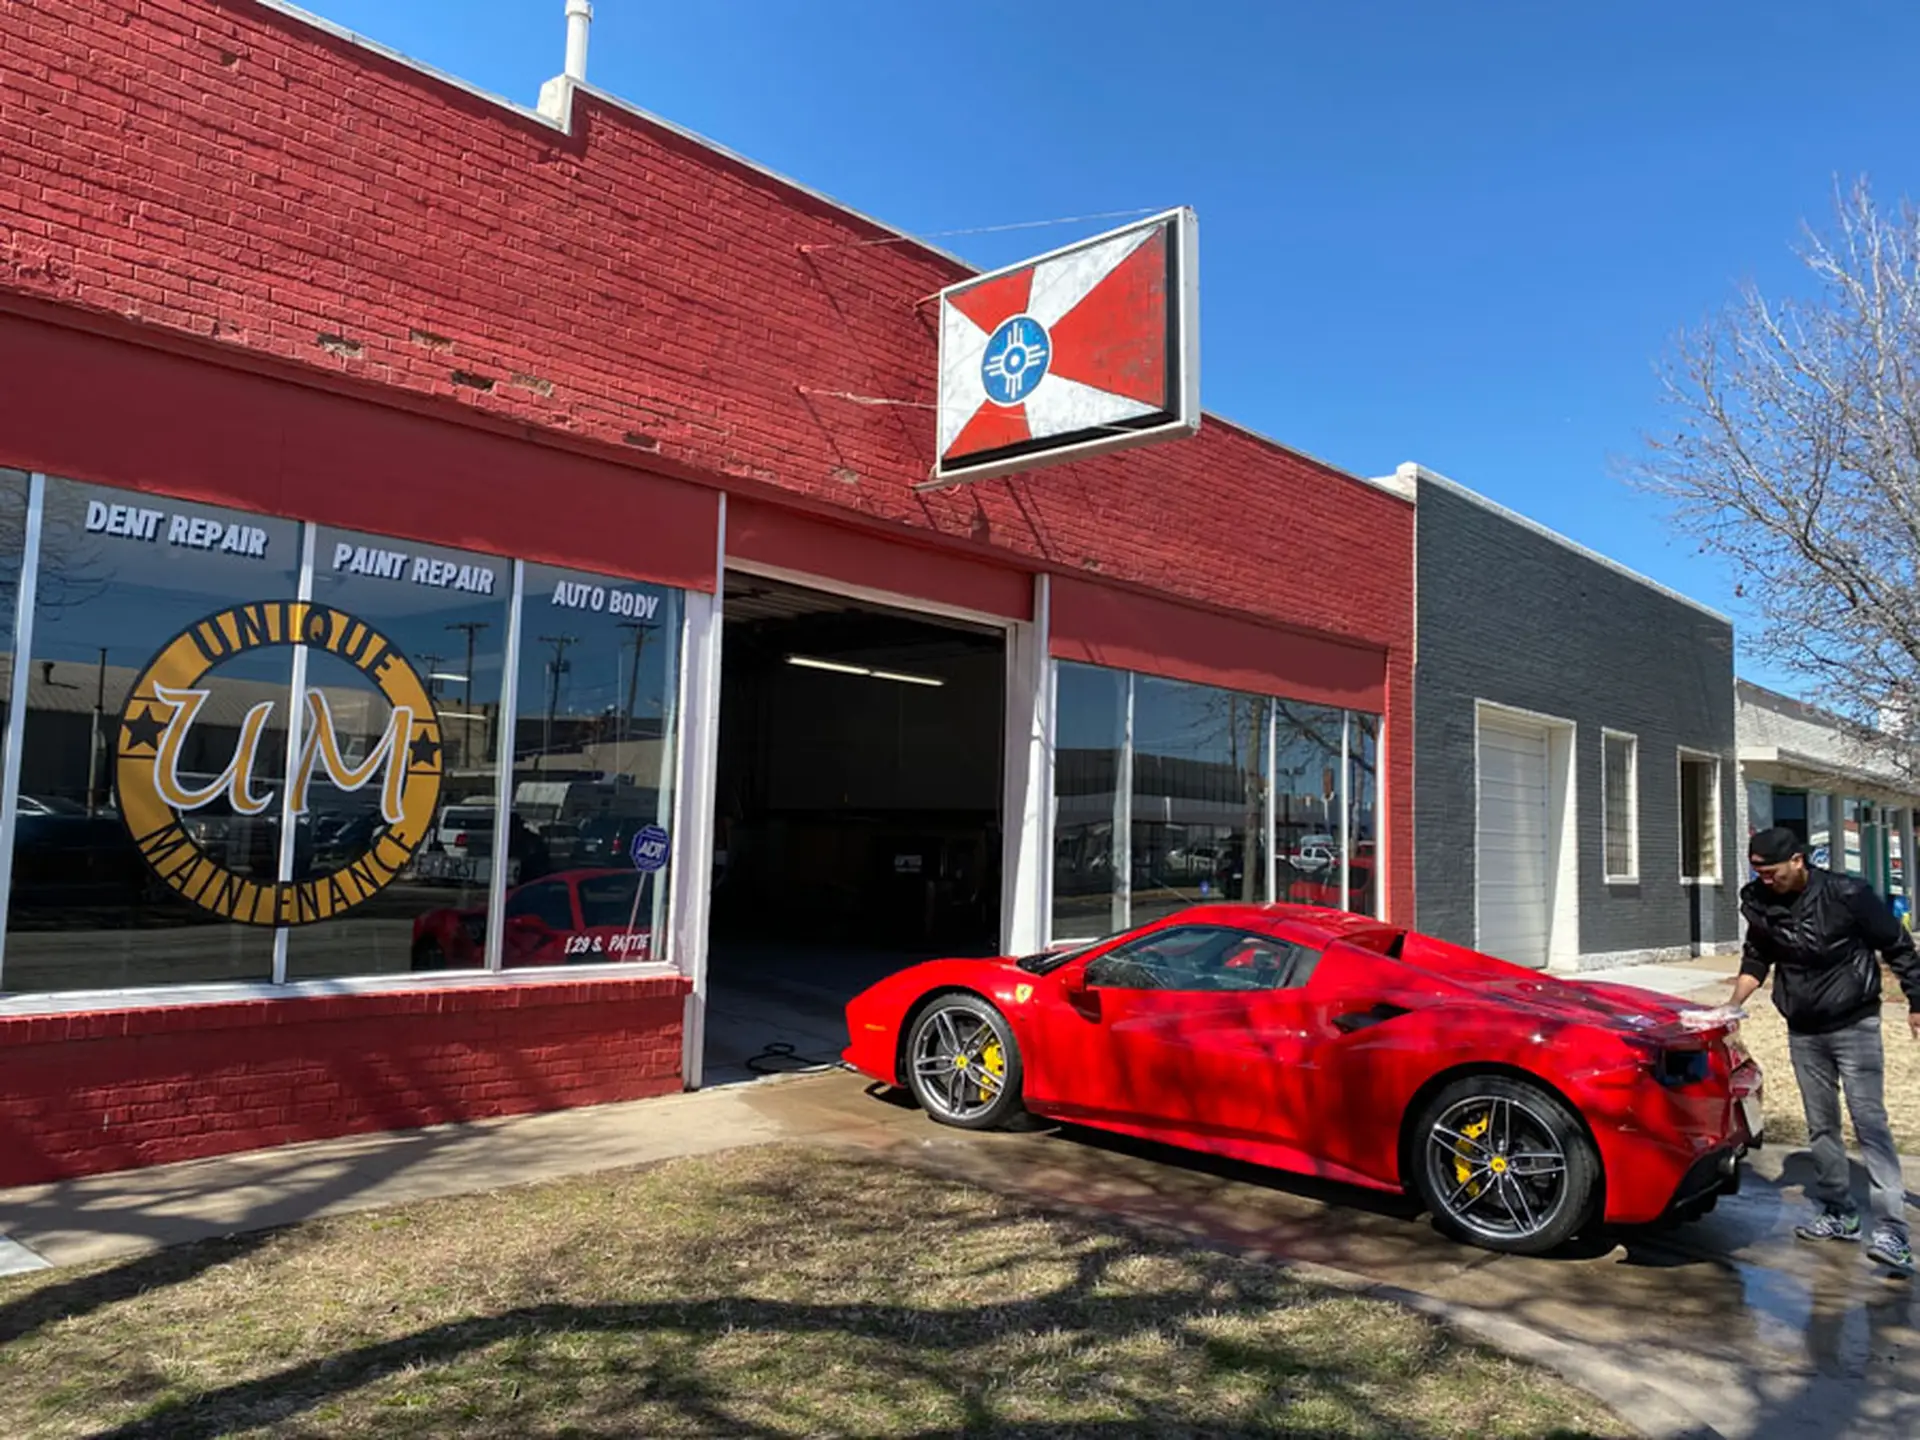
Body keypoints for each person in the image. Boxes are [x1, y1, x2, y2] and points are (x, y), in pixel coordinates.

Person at [1730, 827, 1920, 1276]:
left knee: (1869, 1123)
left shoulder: (1847, 894)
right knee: (1821, 1125)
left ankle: (1892, 1230)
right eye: (1758, 873)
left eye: (1772, 872)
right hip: (1803, 1029)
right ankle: (1839, 1213)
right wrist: (1731, 1006)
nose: (1765, 880)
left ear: (1798, 861)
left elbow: (1897, 945)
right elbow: (1756, 957)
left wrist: (1917, 1001)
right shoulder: (1761, 902)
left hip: (1855, 1023)